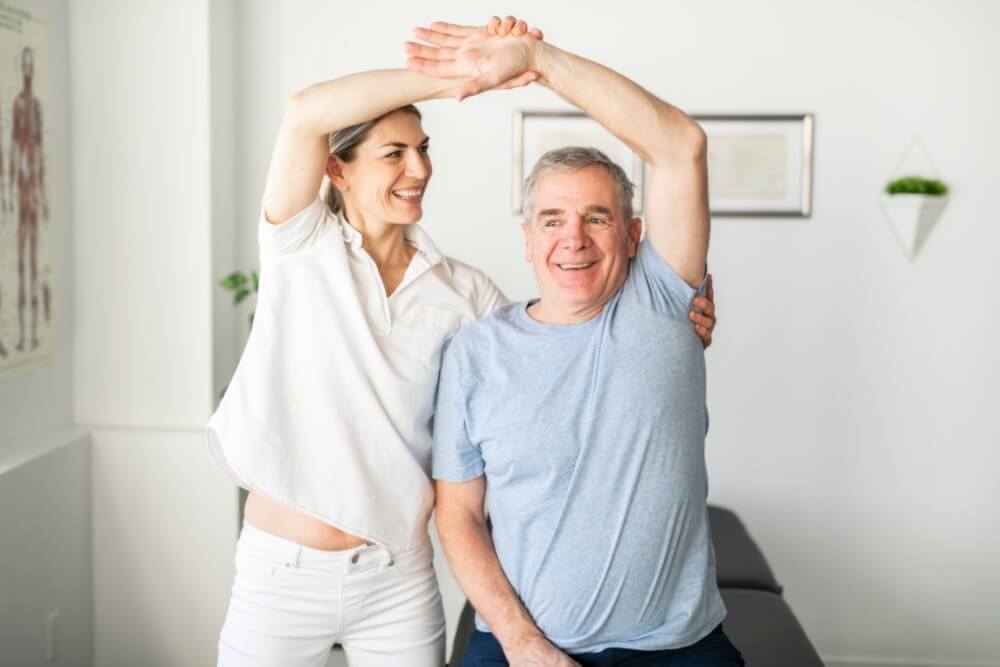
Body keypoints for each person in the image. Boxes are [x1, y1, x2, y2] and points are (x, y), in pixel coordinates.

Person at [208, 17, 717, 667]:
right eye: (394, 152)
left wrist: (685, 303)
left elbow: (557, 335)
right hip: (282, 572)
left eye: (423, 149)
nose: (418, 167)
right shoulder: (299, 249)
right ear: (337, 168)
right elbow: (306, 111)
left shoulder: (465, 293)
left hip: (397, 573)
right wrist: (472, 72)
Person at [424, 23, 743, 667]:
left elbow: (682, 145)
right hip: (521, 646)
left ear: (633, 235)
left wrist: (539, 59)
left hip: (674, 649)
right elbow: (457, 515)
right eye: (553, 219)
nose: (573, 239)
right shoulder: (475, 353)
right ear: (527, 237)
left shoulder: (661, 300)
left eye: (595, 218)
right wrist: (519, 639)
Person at [9, 46, 48, 352]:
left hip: (33, 189)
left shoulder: (35, 106)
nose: (28, 71)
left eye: (30, 66)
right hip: (22, 189)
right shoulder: (19, 105)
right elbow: (14, 147)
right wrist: (10, 190)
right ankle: (23, 335)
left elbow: (40, 150)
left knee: (33, 263)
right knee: (21, 263)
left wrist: (42, 194)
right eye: (24, 65)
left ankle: (32, 335)